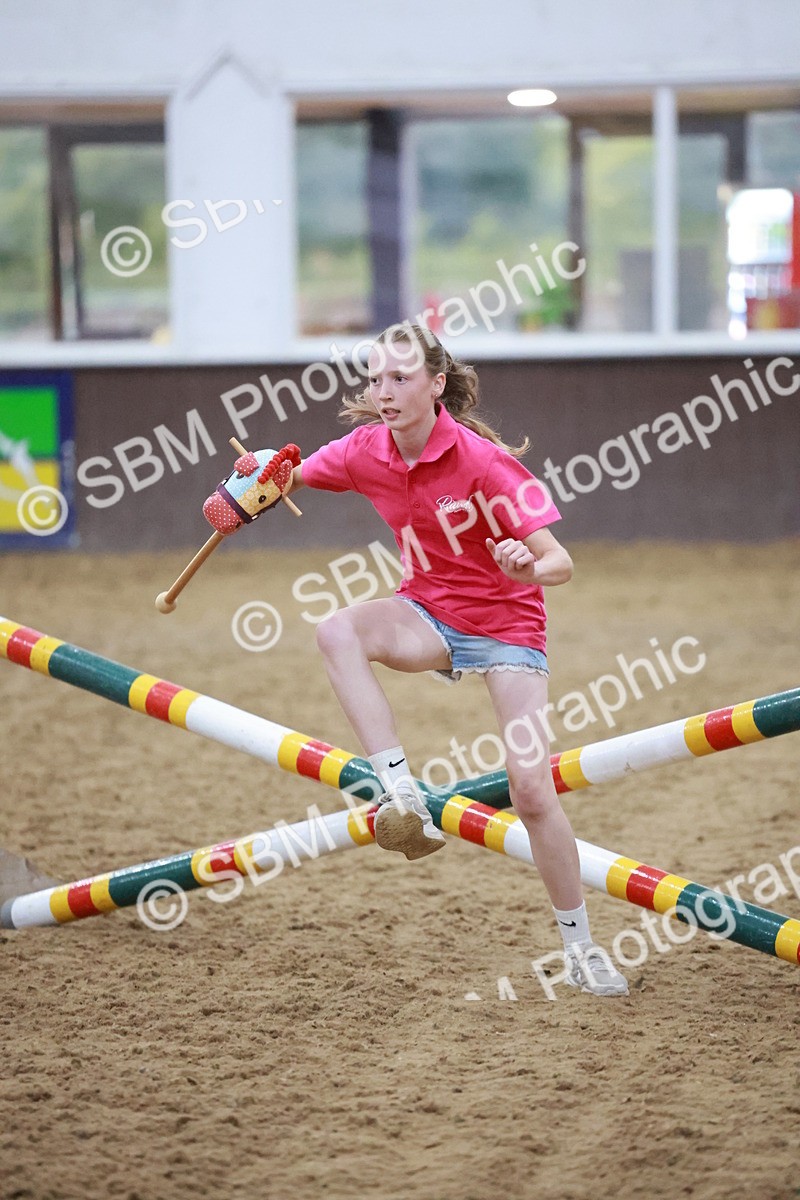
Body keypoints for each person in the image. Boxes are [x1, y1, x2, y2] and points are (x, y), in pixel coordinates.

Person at [286, 323, 628, 998]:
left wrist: (526, 565)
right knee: (335, 632)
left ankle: (582, 948)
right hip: (428, 618)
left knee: (531, 793)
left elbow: (561, 561)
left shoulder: (483, 463)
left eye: (400, 379)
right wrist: (247, 490)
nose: (383, 393)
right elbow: (288, 476)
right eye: (375, 379)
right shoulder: (365, 451)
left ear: (436, 384)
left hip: (508, 628)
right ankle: (400, 792)